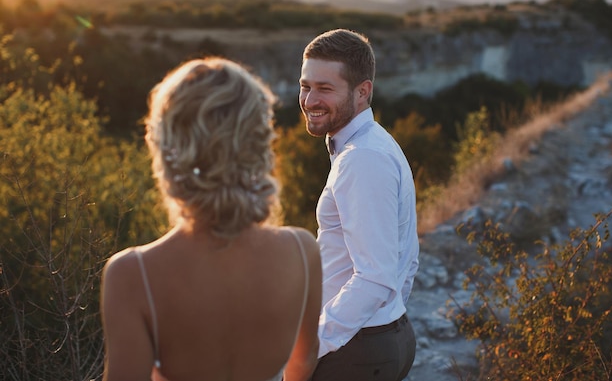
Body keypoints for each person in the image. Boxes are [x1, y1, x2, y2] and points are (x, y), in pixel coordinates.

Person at [100, 57, 322, 381]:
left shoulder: (133, 274)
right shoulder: (303, 250)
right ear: (258, 141)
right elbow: (302, 363)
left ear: (164, 145)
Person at [299, 28, 420, 380]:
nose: (309, 100)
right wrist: (390, 320)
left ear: (362, 92)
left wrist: (313, 345)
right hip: (373, 341)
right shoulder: (374, 143)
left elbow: (375, 276)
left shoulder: (362, 158)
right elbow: (406, 256)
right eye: (306, 86)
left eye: (325, 88)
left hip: (353, 352)